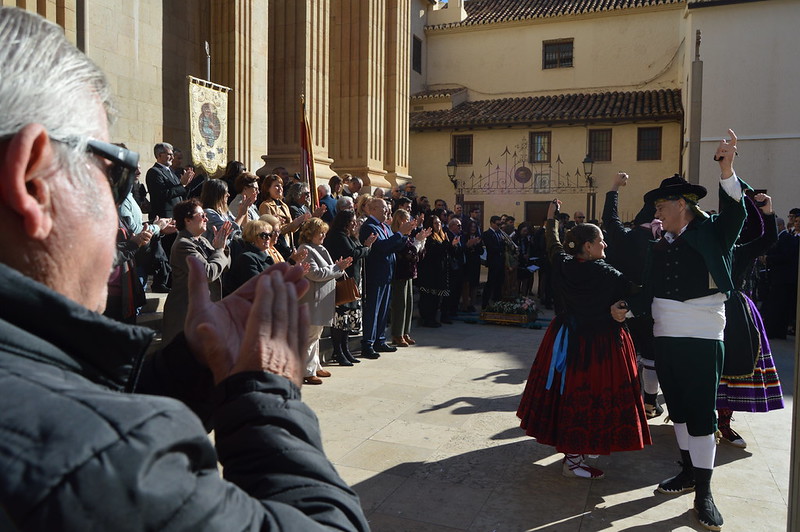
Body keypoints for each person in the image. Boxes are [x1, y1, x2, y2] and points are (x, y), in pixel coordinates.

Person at [0, 7, 369, 530]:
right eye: (114, 174)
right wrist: (265, 390)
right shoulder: (108, 465)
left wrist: (188, 366)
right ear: (33, 180)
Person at [635, 130, 747, 531]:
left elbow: (737, 213)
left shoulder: (713, 231)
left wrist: (727, 169)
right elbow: (646, 287)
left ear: (682, 204)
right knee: (679, 409)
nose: (657, 212)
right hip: (665, 332)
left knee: (700, 413)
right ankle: (687, 471)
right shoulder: (659, 242)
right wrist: (625, 308)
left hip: (701, 332)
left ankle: (705, 492)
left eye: (662, 205)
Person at [517, 199, 650, 480]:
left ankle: (575, 452)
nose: (605, 245)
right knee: (589, 397)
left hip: (564, 337)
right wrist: (624, 307)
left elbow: (552, 243)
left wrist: (551, 219)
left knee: (566, 395)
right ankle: (574, 458)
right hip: (598, 346)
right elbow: (640, 292)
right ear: (588, 246)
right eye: (601, 241)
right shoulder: (606, 273)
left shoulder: (564, 263)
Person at [716, 192, 784, 448]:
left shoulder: (739, 250)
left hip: (735, 312)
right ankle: (700, 422)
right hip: (701, 310)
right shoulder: (702, 245)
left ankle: (724, 422)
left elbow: (767, 238)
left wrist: (764, 211)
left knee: (733, 366)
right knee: (704, 368)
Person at [601, 171, 663, 418]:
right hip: (654, 305)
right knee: (651, 355)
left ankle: (625, 400)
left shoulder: (627, 237)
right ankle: (649, 403)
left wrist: (614, 188)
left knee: (626, 352)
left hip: (623, 305)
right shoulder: (666, 240)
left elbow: (610, 218)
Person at [162, 199, 232, 344]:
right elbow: (208, 273)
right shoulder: (183, 245)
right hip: (186, 314)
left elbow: (225, 265)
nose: (206, 219)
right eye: (202, 215)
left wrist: (222, 247)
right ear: (188, 220)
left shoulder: (202, 241)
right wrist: (219, 251)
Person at [359, 197, 418, 358]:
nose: (387, 211)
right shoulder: (369, 227)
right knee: (373, 310)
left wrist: (405, 235)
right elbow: (382, 248)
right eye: (383, 208)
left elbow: (395, 246)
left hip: (387, 273)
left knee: (384, 309)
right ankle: (368, 343)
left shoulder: (384, 227)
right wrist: (400, 233)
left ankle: (379, 339)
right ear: (372, 210)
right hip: (375, 274)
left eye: (387, 208)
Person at [297, 218, 352, 384]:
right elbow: (315, 274)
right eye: (320, 232)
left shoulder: (320, 248)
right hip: (312, 299)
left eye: (324, 233)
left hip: (322, 299)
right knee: (310, 336)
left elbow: (326, 270)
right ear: (310, 233)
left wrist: (338, 267)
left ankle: (316, 365)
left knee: (316, 335)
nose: (323, 236)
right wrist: (337, 268)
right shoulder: (305, 249)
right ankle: (307, 371)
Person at [324, 210, 377, 363]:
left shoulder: (348, 236)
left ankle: (345, 349)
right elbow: (351, 253)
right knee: (340, 318)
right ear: (344, 222)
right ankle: (338, 351)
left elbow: (356, 250)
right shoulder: (338, 236)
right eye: (352, 221)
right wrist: (366, 247)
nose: (354, 223)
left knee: (347, 320)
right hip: (342, 283)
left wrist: (364, 247)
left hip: (353, 281)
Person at [390, 209, 429, 345]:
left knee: (408, 303)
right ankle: (397, 334)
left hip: (409, 273)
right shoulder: (396, 235)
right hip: (400, 273)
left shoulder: (407, 236)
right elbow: (408, 254)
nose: (411, 224)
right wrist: (417, 242)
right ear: (400, 220)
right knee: (400, 304)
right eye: (407, 220)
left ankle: (405, 332)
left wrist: (421, 241)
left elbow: (418, 257)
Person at [417, 214, 455, 327]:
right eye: (435, 223)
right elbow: (433, 251)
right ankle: (427, 319)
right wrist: (446, 244)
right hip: (430, 272)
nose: (438, 225)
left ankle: (434, 318)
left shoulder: (442, 235)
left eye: (439, 223)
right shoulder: (429, 237)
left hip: (440, 271)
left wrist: (452, 245)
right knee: (429, 298)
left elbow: (446, 252)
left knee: (437, 298)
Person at [258, 174, 308, 257]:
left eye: (281, 185)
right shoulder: (266, 205)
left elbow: (292, 229)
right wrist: (293, 223)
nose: (280, 188)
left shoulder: (284, 205)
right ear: (268, 189)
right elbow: (270, 230)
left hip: (288, 244)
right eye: (276, 186)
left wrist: (300, 221)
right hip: (276, 245)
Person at [227, 219, 276, 293]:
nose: (268, 238)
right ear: (252, 237)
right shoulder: (247, 258)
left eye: (270, 235)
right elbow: (258, 286)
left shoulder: (266, 256)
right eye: (264, 235)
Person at [482, 215, 506, 307]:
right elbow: (491, 247)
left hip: (500, 261)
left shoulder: (500, 233)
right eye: (497, 224)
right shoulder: (487, 234)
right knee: (490, 282)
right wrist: (502, 247)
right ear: (492, 223)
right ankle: (485, 303)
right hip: (493, 261)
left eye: (500, 224)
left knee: (499, 282)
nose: (499, 226)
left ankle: (497, 301)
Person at [461, 219, 483, 312]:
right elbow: (462, 249)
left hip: (475, 263)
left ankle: (472, 304)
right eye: (471, 226)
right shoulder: (464, 236)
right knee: (466, 284)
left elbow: (481, 251)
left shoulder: (478, 237)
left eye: (475, 227)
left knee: (474, 284)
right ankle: (465, 304)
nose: (473, 228)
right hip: (467, 263)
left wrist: (477, 245)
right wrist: (468, 245)